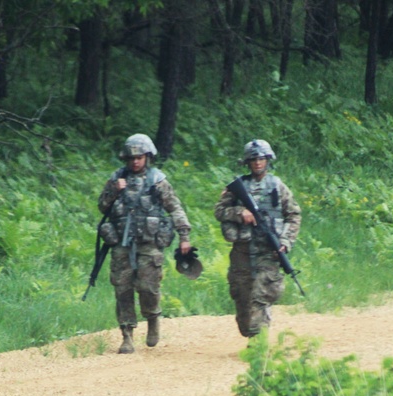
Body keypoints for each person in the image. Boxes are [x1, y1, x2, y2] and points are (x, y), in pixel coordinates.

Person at [98, 133, 193, 354]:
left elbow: (174, 208)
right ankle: (127, 335)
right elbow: (102, 207)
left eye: (139, 157)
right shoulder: (116, 179)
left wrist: (184, 236)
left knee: (149, 288)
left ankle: (152, 319)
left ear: (147, 157)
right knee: (122, 288)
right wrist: (114, 190)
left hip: (149, 244)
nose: (135, 161)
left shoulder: (157, 181)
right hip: (122, 242)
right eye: (131, 158)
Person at [214, 139, 302, 339]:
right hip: (242, 252)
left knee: (261, 297)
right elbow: (219, 211)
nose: (257, 163)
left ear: (268, 160)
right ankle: (253, 333)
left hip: (267, 252)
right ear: (247, 162)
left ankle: (259, 345)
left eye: (261, 159)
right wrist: (240, 212)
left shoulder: (277, 186)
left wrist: (285, 242)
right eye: (253, 159)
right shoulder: (238, 187)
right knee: (243, 301)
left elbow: (294, 215)